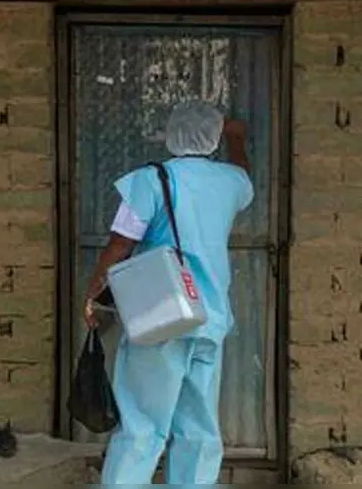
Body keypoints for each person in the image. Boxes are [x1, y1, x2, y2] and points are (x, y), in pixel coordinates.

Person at [82, 100, 254, 485]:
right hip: (209, 320)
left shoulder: (151, 181)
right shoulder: (230, 181)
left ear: (172, 135)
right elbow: (244, 174)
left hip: (161, 317)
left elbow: (119, 245)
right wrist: (236, 138)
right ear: (213, 137)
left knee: (143, 425)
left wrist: (94, 293)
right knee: (199, 429)